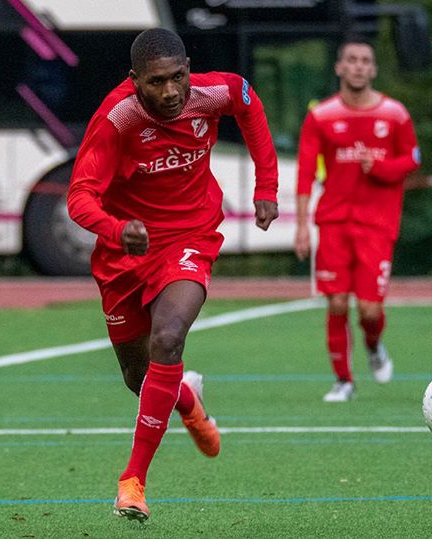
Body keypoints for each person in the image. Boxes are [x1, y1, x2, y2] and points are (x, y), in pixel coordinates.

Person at [67, 28, 279, 521]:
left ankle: (133, 480)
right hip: (126, 251)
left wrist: (266, 184)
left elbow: (249, 103)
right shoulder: (116, 117)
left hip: (190, 235)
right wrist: (117, 230)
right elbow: (78, 197)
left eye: (178, 77)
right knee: (136, 376)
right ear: (135, 81)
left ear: (189, 67)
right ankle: (187, 397)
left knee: (168, 338)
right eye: (157, 82)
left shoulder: (213, 91)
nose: (170, 92)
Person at [294, 38, 421, 402]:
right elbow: (305, 172)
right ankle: (343, 380)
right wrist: (302, 225)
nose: (358, 66)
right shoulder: (321, 116)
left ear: (374, 69)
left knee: (369, 308)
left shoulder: (395, 114)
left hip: (377, 224)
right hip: (333, 220)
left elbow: (412, 158)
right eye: (351, 60)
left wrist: (381, 168)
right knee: (336, 303)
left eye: (365, 60)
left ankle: (374, 343)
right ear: (339, 67)